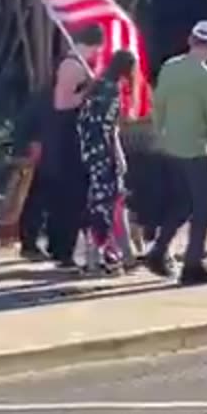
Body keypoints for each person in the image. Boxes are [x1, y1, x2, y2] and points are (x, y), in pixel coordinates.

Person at [143, 20, 207, 285]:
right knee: (201, 208)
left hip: (171, 145)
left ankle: (158, 249)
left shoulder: (170, 68)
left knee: (182, 203)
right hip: (195, 148)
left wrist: (162, 132)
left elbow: (159, 104)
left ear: (190, 40)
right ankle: (193, 265)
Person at [40, 23, 105, 268]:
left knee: (67, 195)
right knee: (70, 195)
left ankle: (59, 246)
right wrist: (89, 91)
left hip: (72, 135)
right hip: (66, 135)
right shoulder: (72, 66)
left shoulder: (77, 64)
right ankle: (63, 249)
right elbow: (62, 102)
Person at [77, 49, 138, 274]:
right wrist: (118, 157)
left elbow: (86, 123)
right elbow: (109, 130)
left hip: (90, 154)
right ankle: (102, 258)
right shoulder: (111, 92)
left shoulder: (95, 88)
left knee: (99, 205)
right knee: (106, 207)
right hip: (104, 156)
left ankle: (103, 257)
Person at [12, 84, 53, 261]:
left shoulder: (44, 96)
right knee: (35, 199)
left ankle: (30, 242)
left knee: (35, 199)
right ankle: (29, 243)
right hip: (36, 154)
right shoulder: (48, 99)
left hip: (36, 151)